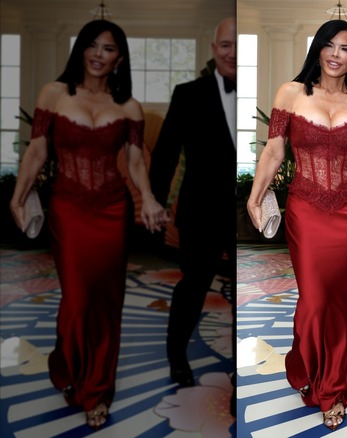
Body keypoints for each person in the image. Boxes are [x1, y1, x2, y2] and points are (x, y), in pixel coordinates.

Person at [9, 20, 167, 430]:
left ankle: (96, 389)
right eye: (92, 46)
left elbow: (134, 162)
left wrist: (147, 198)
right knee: (77, 301)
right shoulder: (54, 94)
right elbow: (37, 152)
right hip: (69, 209)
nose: (99, 54)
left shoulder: (128, 107)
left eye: (109, 48)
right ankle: (67, 364)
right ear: (80, 50)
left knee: (106, 303)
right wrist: (18, 196)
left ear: (119, 56)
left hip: (112, 211)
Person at [246, 19, 347, 431]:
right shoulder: (291, 93)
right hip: (306, 208)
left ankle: (334, 390)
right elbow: (274, 153)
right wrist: (255, 195)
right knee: (314, 302)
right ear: (317, 49)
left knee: (343, 303)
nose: (336, 54)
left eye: (345, 48)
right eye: (328, 45)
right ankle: (303, 365)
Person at [149, 18, 237, 390]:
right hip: (199, 212)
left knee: (241, 291)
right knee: (193, 287)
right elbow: (166, 154)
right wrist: (152, 201)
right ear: (213, 50)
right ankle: (176, 356)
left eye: (238, 46)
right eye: (225, 45)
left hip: (241, 212)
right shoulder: (188, 94)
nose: (232, 53)